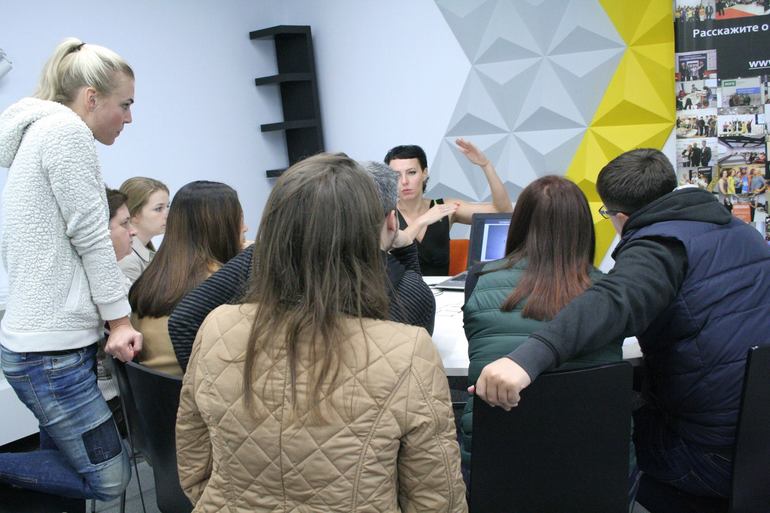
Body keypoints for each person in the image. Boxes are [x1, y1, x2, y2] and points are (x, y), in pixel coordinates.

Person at [472, 149, 770, 499]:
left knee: (600, 435)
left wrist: (526, 359)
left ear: (621, 217)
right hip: (756, 437)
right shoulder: (742, 232)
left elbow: (615, 299)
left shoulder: (661, 246)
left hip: (711, 456)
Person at [175, 154, 466, 512]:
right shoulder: (408, 351)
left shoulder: (217, 326)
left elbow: (194, 466)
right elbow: (436, 499)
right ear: (390, 222)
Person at [0, 38, 140, 500]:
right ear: (92, 97)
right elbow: (92, 238)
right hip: (50, 356)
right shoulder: (65, 132)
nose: (129, 118)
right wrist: (120, 322)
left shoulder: (38, 134)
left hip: (43, 348)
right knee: (111, 479)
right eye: (125, 105)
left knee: (63, 475)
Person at [168, 160, 437, 372]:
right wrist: (404, 247)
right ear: (391, 220)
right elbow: (413, 350)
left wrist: (218, 390)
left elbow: (184, 320)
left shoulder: (261, 257)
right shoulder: (408, 290)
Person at [460, 176, 630, 487]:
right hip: (595, 464)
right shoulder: (612, 291)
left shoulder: (479, 279)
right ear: (583, 228)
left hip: (496, 458)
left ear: (519, 223)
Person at [128, 181, 244, 377]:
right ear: (221, 227)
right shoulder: (218, 284)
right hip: (191, 389)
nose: (245, 228)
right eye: (239, 220)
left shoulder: (155, 274)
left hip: (156, 389)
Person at [384, 139, 513, 275]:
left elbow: (503, 212)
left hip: (442, 288)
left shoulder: (444, 208)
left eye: (411, 172)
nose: (404, 181)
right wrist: (423, 220)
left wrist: (486, 165)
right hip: (398, 288)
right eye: (396, 175)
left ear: (424, 173)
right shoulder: (384, 214)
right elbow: (386, 254)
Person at [117, 176, 169, 283]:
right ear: (134, 214)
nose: (168, 215)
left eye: (167, 206)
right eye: (158, 209)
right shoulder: (128, 260)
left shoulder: (145, 252)